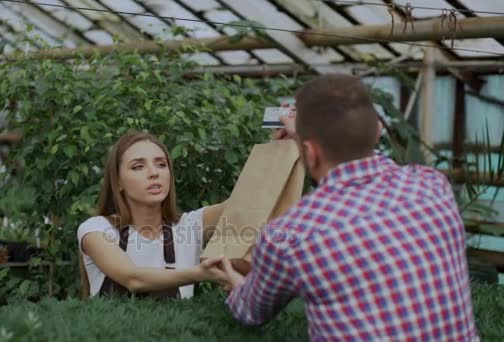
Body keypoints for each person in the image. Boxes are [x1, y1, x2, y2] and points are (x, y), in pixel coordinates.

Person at [221, 74, 478, 340]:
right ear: (375, 130)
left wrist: (234, 281)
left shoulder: (292, 233)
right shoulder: (432, 185)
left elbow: (249, 311)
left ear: (310, 152)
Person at [77, 131, 229, 299]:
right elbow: (133, 279)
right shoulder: (96, 229)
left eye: (161, 164)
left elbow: (247, 202)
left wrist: (264, 147)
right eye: (138, 167)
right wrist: (199, 274)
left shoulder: (189, 227)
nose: (153, 173)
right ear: (118, 181)